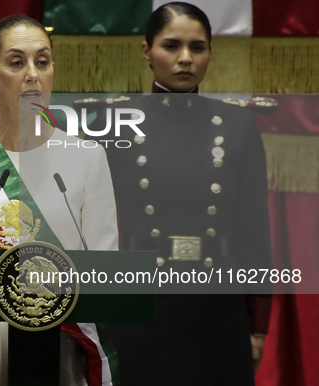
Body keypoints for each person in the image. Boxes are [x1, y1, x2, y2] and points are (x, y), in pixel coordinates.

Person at [0, 14, 119, 386]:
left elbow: (104, 267)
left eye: (42, 61)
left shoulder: (87, 157)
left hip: (62, 354)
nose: (32, 74)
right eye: (16, 62)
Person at [92, 2, 273, 385]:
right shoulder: (112, 125)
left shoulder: (238, 124)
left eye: (198, 47)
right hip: (140, 302)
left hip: (217, 305)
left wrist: (257, 324)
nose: (185, 58)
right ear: (147, 52)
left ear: (210, 52)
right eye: (171, 46)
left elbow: (253, 228)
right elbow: (92, 226)